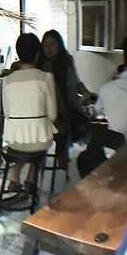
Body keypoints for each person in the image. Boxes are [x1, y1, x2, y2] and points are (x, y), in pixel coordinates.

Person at [2, 33, 58, 192]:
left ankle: (14, 177)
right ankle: (31, 179)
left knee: (26, 137)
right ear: (38, 54)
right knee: (40, 136)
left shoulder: (7, 80)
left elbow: (7, 115)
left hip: (14, 140)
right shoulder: (46, 78)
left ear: (18, 53)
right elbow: (53, 116)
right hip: (40, 141)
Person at [36, 29, 94, 163]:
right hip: (50, 109)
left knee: (85, 125)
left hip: (70, 105)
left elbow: (76, 82)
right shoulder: (41, 64)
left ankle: (72, 152)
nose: (49, 48)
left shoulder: (67, 61)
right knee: (62, 126)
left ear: (59, 45)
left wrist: (86, 93)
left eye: (52, 44)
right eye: (46, 45)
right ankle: (61, 152)